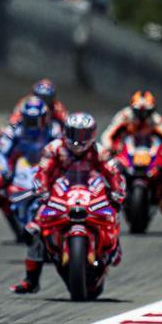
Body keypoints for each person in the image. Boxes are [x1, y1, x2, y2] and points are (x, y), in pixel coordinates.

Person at [12, 112, 124, 294]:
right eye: (74, 133)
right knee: (33, 229)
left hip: (91, 193)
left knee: (113, 213)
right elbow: (43, 172)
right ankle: (31, 280)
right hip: (60, 193)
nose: (78, 140)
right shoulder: (54, 149)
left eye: (83, 134)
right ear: (66, 132)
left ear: (92, 134)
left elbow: (113, 174)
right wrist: (42, 190)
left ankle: (112, 248)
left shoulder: (99, 151)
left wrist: (118, 193)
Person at [0, 96, 59, 218]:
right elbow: (1, 152)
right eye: (29, 120)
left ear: (44, 118)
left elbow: (61, 151)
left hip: (44, 168)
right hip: (16, 167)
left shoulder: (53, 131)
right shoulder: (13, 130)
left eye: (36, 120)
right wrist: (5, 170)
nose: (32, 125)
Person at [101, 91, 162, 155]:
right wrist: (111, 148)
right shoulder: (125, 116)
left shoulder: (156, 120)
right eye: (138, 112)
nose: (143, 116)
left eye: (147, 112)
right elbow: (106, 136)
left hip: (150, 153)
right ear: (132, 108)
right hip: (124, 153)